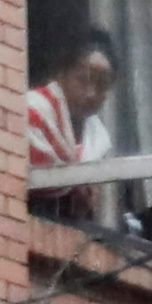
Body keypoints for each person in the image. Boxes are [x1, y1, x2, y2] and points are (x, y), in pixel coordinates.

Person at [23, 28, 122, 214]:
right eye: (83, 79)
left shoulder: (98, 140)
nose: (91, 93)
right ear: (61, 74)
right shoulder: (31, 111)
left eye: (101, 85)